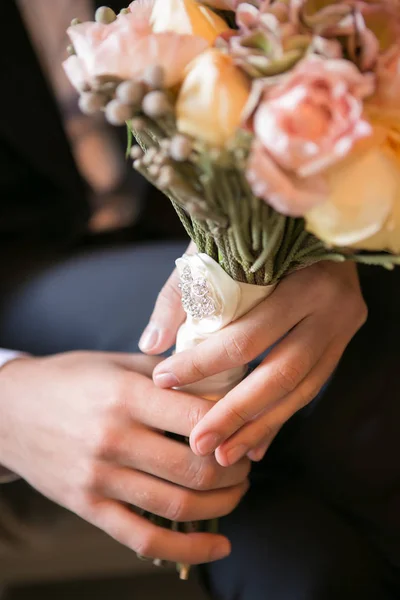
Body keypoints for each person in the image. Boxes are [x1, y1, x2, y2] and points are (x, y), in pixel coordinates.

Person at [0, 2, 399, 599]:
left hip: (203, 228)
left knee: (307, 562)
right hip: (18, 281)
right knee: (354, 375)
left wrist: (321, 240)